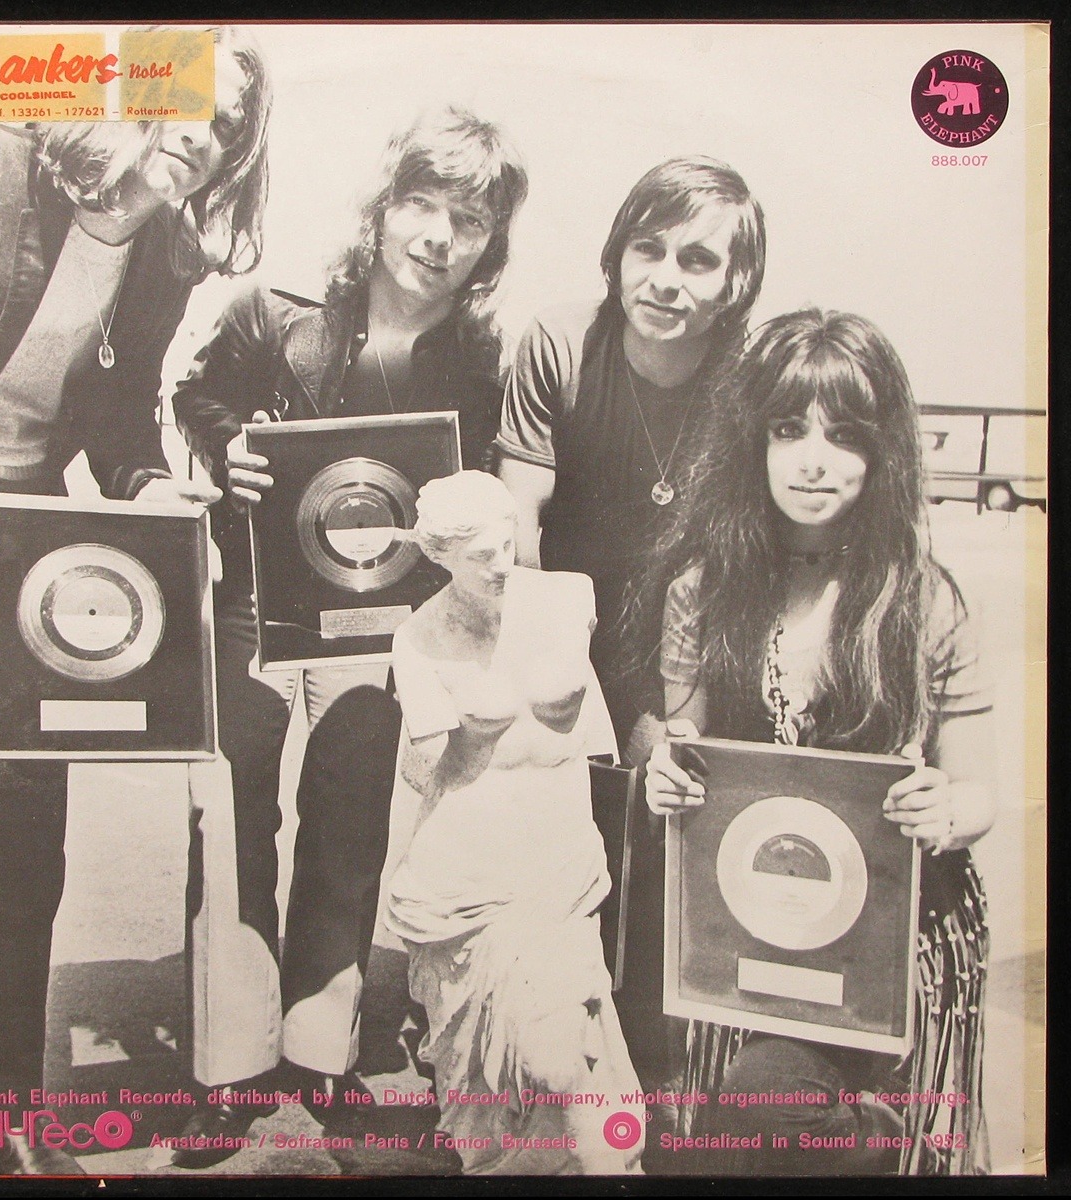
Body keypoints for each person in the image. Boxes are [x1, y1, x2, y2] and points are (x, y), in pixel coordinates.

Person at [0, 27, 272, 1174]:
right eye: (190, 97)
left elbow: (114, 420)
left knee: (25, 845)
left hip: (13, 543)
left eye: (230, 125)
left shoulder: (165, 257)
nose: (204, 134)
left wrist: (154, 490)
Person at [168, 106, 528, 1165]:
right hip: (253, 601)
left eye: (469, 220)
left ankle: (319, 1048)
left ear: (490, 244)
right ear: (382, 208)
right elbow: (196, 398)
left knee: (351, 812)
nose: (439, 236)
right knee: (230, 810)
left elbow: (483, 485)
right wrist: (226, 448)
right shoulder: (273, 312)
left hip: (378, 619)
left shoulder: (480, 362)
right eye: (422, 204)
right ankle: (229, 1062)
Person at [641, 309, 995, 1175]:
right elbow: (678, 738)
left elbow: (979, 792)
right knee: (727, 1139)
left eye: (844, 436)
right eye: (788, 429)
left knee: (768, 1104)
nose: (812, 460)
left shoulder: (927, 600)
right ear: (752, 441)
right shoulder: (701, 590)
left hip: (894, 939)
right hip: (749, 929)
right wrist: (664, 773)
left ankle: (900, 1148)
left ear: (882, 454)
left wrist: (946, 810)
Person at [385, 470, 644, 1175]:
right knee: (488, 1081)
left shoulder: (570, 596)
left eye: (508, 544)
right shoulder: (419, 638)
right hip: (469, 880)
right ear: (440, 555)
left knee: (557, 1057)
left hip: (559, 869)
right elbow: (420, 775)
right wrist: (461, 731)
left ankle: (594, 1161)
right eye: (480, 556)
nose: (502, 564)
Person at [495, 155, 766, 751]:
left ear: (736, 282)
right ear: (617, 256)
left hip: (682, 646)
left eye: (697, 260)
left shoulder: (754, 378)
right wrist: (545, 667)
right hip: (563, 622)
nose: (665, 280)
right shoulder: (562, 344)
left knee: (660, 778)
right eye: (648, 249)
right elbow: (520, 524)